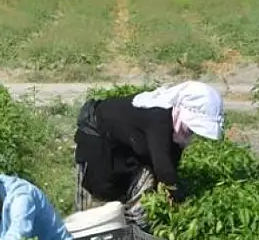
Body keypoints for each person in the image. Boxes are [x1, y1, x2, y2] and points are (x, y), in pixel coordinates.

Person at [74, 81, 224, 228]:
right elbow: (163, 165)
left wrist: (170, 192)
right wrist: (178, 196)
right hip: (97, 139)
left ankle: (132, 229)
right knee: (96, 212)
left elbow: (171, 161)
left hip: (124, 146)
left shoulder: (176, 125)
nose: (191, 132)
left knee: (136, 194)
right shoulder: (159, 116)